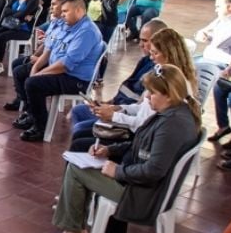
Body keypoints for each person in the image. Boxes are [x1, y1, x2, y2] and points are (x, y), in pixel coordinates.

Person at [47, 64, 201, 233]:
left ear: (169, 94)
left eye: (151, 93)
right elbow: (140, 144)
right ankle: (75, 230)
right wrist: (109, 150)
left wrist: (118, 171)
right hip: (140, 185)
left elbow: (153, 171)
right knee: (81, 164)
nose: (146, 97)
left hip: (142, 196)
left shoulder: (171, 126)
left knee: (76, 170)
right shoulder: (173, 114)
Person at [70, 27, 198, 152]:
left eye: (155, 53)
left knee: (79, 141)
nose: (151, 57)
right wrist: (119, 108)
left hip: (137, 140)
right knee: (80, 132)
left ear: (169, 53)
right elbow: (142, 108)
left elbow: (143, 125)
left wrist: (114, 116)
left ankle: (83, 169)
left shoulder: (171, 83)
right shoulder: (162, 74)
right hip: (134, 130)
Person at [13, 0, 105, 142]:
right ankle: (32, 114)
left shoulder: (86, 31)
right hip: (61, 70)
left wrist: (39, 74)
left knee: (33, 83)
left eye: (65, 11)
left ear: (79, 11)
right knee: (21, 72)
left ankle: (40, 127)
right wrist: (36, 68)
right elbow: (49, 50)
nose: (62, 15)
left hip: (75, 79)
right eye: (61, 11)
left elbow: (66, 64)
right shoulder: (70, 25)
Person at [68, 19, 167, 137]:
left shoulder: (161, 75)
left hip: (126, 121)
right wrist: (109, 104)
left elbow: (141, 115)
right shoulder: (145, 61)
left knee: (80, 130)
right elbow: (128, 88)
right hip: (121, 109)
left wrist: (114, 114)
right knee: (78, 111)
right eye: (140, 40)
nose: (140, 45)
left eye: (145, 41)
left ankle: (96, 145)